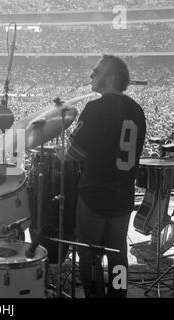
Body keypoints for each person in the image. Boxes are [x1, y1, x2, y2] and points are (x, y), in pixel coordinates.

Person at [64, 55, 146, 297]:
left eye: (96, 72)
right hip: (123, 192)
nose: (91, 76)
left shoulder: (96, 108)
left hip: (95, 192)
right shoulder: (136, 110)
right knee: (118, 252)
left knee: (88, 252)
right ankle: (118, 293)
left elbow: (74, 154)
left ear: (110, 77)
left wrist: (66, 147)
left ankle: (94, 294)